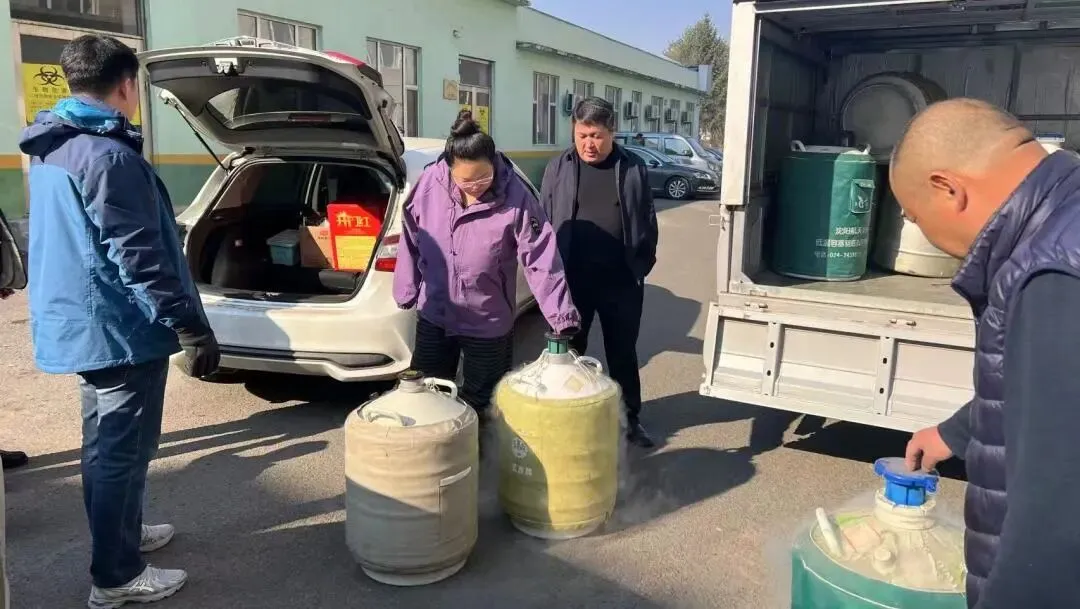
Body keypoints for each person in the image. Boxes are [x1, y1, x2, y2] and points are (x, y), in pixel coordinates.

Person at [18, 35, 220, 608]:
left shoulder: (53, 146)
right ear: (127, 85)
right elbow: (139, 257)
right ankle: (117, 575)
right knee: (120, 452)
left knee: (104, 448)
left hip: (84, 323)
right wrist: (188, 325)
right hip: (118, 329)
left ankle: (123, 537)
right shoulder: (107, 157)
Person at [897, 98, 1080, 609]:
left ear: (948, 189)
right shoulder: (1064, 221)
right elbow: (1049, 397)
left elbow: (1056, 532)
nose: (925, 234)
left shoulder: (1053, 274)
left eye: (915, 217)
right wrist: (957, 432)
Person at [394, 111, 580, 419]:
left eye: (484, 176)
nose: (476, 186)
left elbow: (540, 257)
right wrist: (406, 288)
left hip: (488, 320)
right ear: (448, 168)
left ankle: (482, 448)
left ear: (493, 163)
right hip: (436, 314)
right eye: (466, 180)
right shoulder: (429, 184)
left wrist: (560, 314)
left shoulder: (516, 196)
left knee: (484, 403)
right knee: (428, 397)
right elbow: (412, 238)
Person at [540, 97, 659, 448]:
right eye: (582, 135)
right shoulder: (558, 167)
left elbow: (647, 219)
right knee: (569, 353)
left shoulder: (633, 167)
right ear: (573, 131)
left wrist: (641, 264)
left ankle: (629, 418)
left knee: (622, 352)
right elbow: (545, 218)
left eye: (596, 136)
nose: (588, 144)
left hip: (621, 281)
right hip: (572, 282)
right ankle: (570, 418)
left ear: (612, 132)